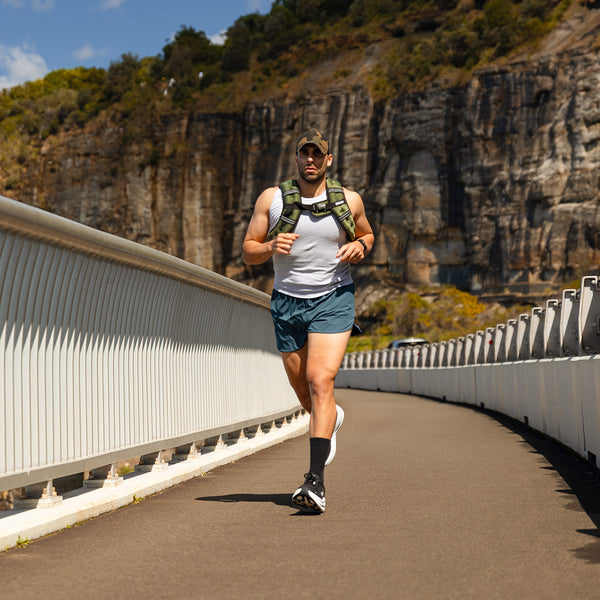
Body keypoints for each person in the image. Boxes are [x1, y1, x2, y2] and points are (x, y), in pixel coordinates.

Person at [242, 128, 374, 513]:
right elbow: (248, 250)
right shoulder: (273, 198)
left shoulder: (348, 200)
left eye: (318, 154)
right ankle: (331, 418)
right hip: (287, 303)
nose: (311, 160)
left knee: (320, 381)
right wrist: (268, 246)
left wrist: (359, 246)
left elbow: (367, 235)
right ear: (297, 159)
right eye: (305, 154)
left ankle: (314, 482)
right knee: (306, 393)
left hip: (334, 298)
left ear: (328, 160)